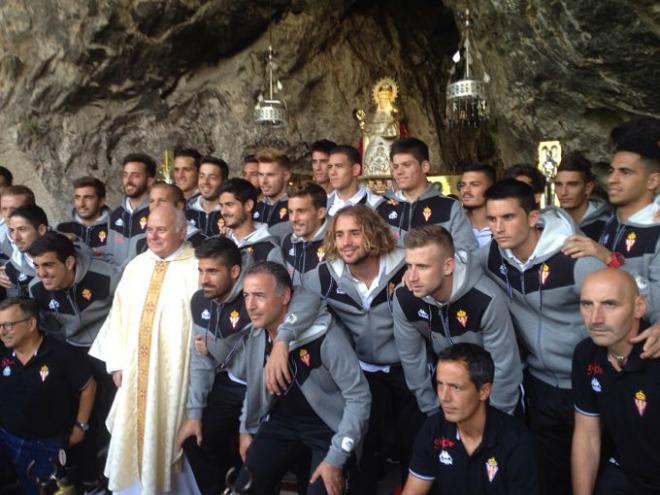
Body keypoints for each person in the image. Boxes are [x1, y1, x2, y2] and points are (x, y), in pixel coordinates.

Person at [477, 178, 607, 494]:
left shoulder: (574, 257)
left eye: (508, 217)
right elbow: (456, 273)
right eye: (492, 219)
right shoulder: (492, 255)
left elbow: (622, 299)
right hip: (539, 384)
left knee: (598, 471)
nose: (498, 227)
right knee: (549, 474)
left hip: (590, 380)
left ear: (533, 218)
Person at [179, 239, 324, 494]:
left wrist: (282, 340)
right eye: (201, 271)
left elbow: (306, 298)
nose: (204, 280)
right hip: (231, 381)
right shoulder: (199, 301)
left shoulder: (258, 287)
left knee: (263, 454)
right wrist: (194, 412)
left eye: (212, 272)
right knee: (195, 438)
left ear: (234, 272)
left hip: (270, 383)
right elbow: (201, 360)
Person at [302, 204, 423, 493]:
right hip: (363, 372)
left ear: (373, 232)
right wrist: (281, 342)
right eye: (340, 234)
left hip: (407, 370)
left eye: (355, 233)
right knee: (364, 450)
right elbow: (299, 305)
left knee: (413, 444)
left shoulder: (406, 265)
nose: (346, 242)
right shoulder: (323, 276)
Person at [89, 205, 201, 494]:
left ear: (182, 231)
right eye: (149, 229)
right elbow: (118, 317)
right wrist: (116, 363)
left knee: (171, 440)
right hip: (134, 375)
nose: (153, 235)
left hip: (174, 379)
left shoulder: (197, 268)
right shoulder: (137, 266)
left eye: (161, 229)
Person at [235, 261, 371, 495]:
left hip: (328, 428)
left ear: (285, 296)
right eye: (246, 296)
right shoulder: (257, 333)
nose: (250, 306)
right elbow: (254, 387)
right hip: (282, 423)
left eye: (259, 296)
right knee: (245, 487)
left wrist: (336, 458)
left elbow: (359, 398)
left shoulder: (326, 337)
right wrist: (246, 429)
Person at [393, 225, 522, 416]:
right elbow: (412, 361)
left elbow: (505, 367)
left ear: (448, 266)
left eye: (422, 267)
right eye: (409, 266)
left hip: (490, 393)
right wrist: (433, 413)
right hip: (444, 393)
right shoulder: (405, 297)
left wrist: (496, 423)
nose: (411, 277)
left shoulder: (485, 298)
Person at [28, 231, 120, 491]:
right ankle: (90, 479)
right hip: (73, 354)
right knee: (81, 420)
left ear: (69, 262)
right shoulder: (37, 290)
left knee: (116, 418)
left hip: (112, 354)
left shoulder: (107, 276)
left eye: (48, 265)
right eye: (36, 266)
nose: (41, 273)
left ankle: (122, 477)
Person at [403, 343, 538, 495]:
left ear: (484, 391)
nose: (444, 397)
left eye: (455, 387)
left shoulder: (515, 440)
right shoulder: (433, 428)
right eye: (440, 384)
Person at [563, 117, 660, 323]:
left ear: (652, 180)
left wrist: (609, 259)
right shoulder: (612, 222)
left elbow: (657, 307)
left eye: (625, 172)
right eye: (611, 171)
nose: (612, 180)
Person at [572, 268, 660, 495]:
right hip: (624, 474)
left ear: (639, 307)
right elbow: (587, 436)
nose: (595, 319)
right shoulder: (586, 354)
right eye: (587, 304)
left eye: (610, 304)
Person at [0, 297, 96, 495]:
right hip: (8, 438)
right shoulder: (3, 352)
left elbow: (89, 387)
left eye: (8, 325)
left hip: (47, 445)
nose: (2, 332)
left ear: (31, 324)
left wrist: (81, 427)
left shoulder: (60, 353)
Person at [376, 137, 477, 252]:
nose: (399, 172)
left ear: (425, 167)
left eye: (407, 165)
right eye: (395, 167)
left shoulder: (449, 207)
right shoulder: (382, 208)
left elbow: (467, 253)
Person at [218, 178, 284, 268]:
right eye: (221, 206)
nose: (223, 212)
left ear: (248, 205)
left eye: (229, 205)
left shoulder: (269, 249)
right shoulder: (219, 244)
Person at [106, 153, 156, 267]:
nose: (128, 180)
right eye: (125, 175)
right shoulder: (114, 215)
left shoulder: (156, 213)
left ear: (149, 181)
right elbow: (109, 256)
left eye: (135, 176)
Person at [133, 182, 205, 256]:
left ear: (179, 206)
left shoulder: (200, 242)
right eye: (152, 201)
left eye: (162, 200)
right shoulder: (142, 244)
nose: (155, 205)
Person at [553, 152, 609, 241]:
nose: (563, 192)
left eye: (572, 184)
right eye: (559, 184)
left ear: (588, 188)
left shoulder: (608, 225)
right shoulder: (548, 224)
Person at [282, 183, 329, 285]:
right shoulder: (286, 241)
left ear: (321, 213)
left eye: (301, 211)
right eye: (290, 212)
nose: (294, 219)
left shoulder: (338, 243)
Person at [56, 177, 112, 258]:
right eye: (77, 198)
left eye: (88, 198)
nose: (81, 204)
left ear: (101, 201)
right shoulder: (62, 229)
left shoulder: (115, 229)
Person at [325, 145, 383, 217]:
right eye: (330, 167)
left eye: (339, 166)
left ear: (355, 169)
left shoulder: (377, 205)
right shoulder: (321, 205)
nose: (332, 172)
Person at [5, 205, 49, 294]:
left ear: (41, 230)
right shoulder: (10, 268)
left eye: (22, 229)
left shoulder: (68, 252)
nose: (15, 237)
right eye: (12, 231)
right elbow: (16, 304)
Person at [253, 148, 292, 240]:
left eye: (270, 175)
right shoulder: (254, 206)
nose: (264, 181)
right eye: (261, 174)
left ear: (286, 176)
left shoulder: (296, 206)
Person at [185, 155, 228, 237]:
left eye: (212, 178)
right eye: (202, 176)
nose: (205, 182)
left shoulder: (231, 212)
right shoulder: (185, 211)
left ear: (224, 182)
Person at [458, 162, 496, 247]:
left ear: (492, 188)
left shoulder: (504, 225)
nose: (466, 190)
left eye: (474, 185)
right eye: (462, 185)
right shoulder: (454, 223)